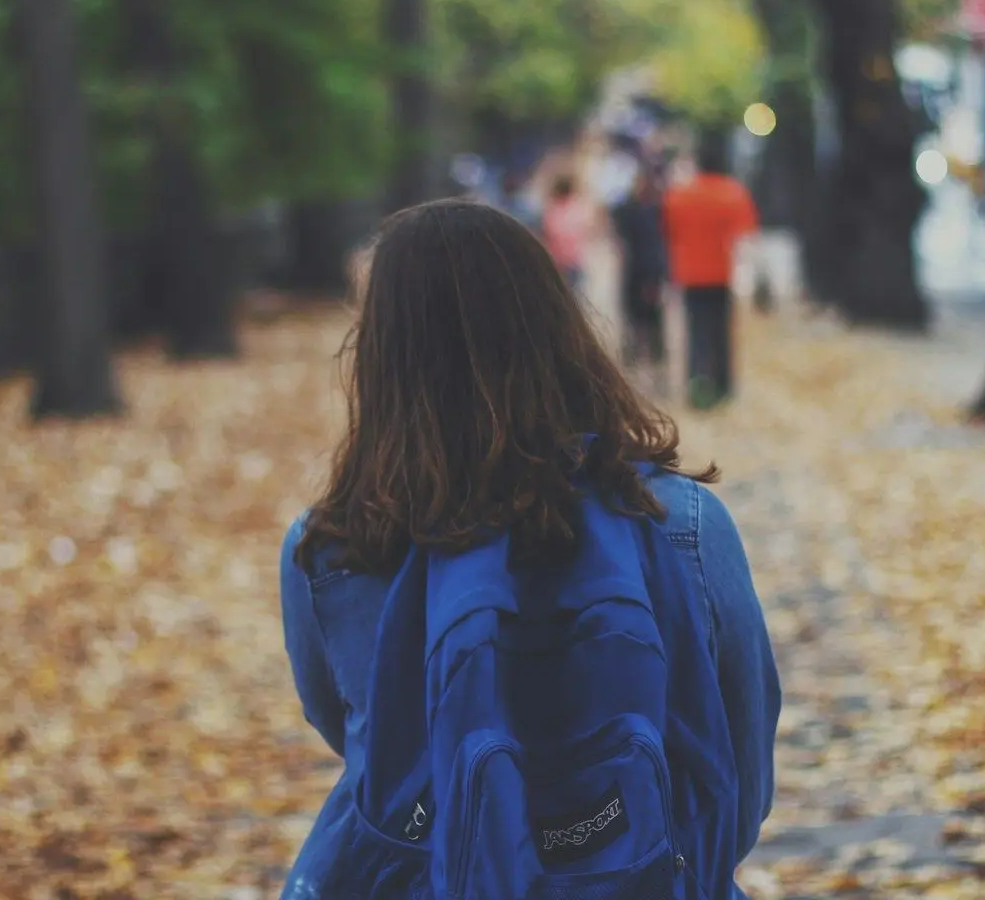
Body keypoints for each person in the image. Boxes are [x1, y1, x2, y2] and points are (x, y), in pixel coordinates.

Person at [279, 201, 779, 900]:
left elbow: (362, 743)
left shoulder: (330, 548)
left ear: (381, 354)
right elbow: (739, 768)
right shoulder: (682, 523)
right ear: (559, 328)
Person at [663, 132, 758, 409]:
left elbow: (669, 231)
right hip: (721, 273)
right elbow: (745, 238)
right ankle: (724, 386)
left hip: (689, 273)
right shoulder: (733, 193)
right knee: (721, 332)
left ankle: (697, 383)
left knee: (695, 331)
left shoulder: (679, 194)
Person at [610, 165, 669, 392]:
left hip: (648, 273)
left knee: (651, 326)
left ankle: (654, 371)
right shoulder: (637, 210)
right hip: (634, 274)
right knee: (635, 323)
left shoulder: (655, 211)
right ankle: (637, 370)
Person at [541, 173, 595, 291]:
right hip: (573, 260)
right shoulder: (577, 210)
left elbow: (547, 233)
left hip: (557, 260)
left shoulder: (551, 210)